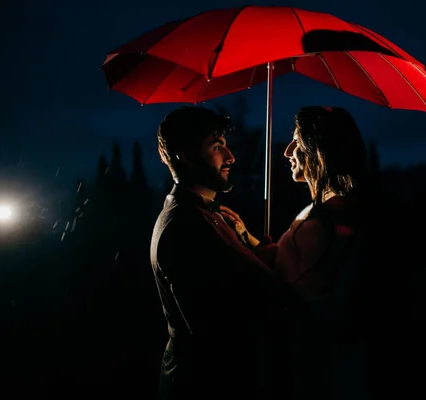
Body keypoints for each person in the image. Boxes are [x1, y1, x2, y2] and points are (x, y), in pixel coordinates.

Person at [150, 106, 305, 400]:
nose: (230, 157)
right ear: (186, 155)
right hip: (209, 384)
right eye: (217, 147)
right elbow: (261, 294)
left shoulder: (205, 215)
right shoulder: (190, 225)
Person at [221, 106, 371, 399]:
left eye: (298, 142)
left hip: (315, 365)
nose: (288, 151)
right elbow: (293, 266)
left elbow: (286, 292)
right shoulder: (328, 212)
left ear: (320, 150)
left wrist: (234, 247)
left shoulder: (326, 221)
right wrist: (246, 235)